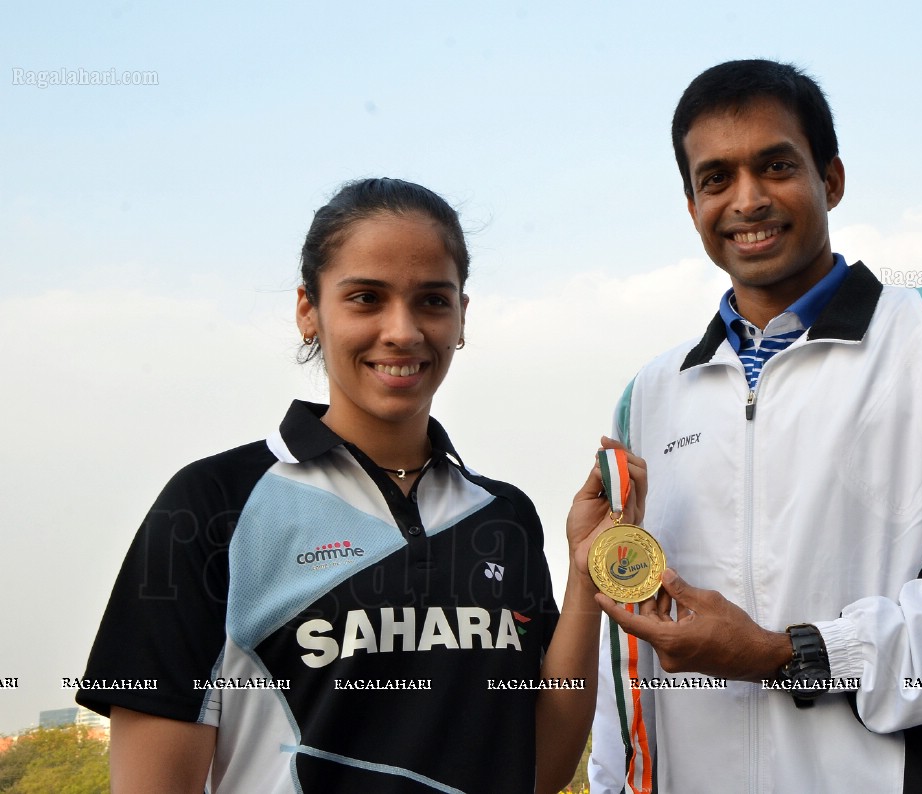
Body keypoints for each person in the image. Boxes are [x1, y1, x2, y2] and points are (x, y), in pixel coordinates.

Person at [589, 60, 922, 793]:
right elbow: (626, 641)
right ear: (692, 204)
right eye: (716, 178)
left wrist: (795, 653)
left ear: (832, 180)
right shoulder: (650, 394)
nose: (748, 200)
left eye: (776, 165)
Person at [77, 177, 645, 794]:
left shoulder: (503, 515)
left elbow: (539, 769)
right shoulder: (214, 504)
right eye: (366, 299)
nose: (402, 331)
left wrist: (585, 578)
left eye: (432, 300)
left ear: (460, 317)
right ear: (308, 310)